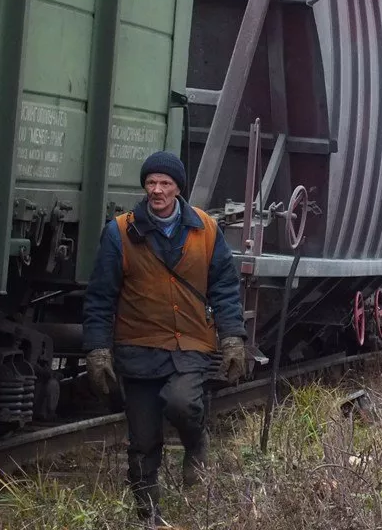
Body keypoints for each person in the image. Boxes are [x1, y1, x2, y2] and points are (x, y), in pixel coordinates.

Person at [82, 151, 247, 528]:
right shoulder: (120, 232)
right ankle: (148, 518)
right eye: (151, 183)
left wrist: (233, 337)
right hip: (138, 349)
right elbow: (100, 296)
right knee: (142, 443)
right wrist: (98, 349)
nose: (157, 190)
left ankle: (195, 443)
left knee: (182, 403)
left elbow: (224, 286)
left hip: (190, 345)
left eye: (165, 184)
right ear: (145, 186)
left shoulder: (205, 229)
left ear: (178, 188)